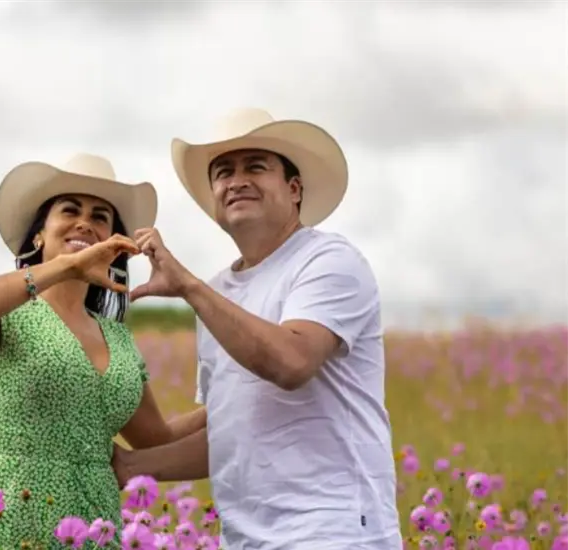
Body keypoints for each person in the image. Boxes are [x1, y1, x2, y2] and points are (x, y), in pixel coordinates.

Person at [112, 109, 402, 549]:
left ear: (294, 188)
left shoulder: (329, 260)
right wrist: (131, 467)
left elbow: (291, 362)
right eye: (223, 172)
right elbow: (231, 431)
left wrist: (188, 287)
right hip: (246, 539)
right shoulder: (218, 292)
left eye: (256, 167)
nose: (237, 180)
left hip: (334, 532)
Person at [0, 153, 205, 549]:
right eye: (70, 210)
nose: (85, 222)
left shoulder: (117, 339)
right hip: (7, 518)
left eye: (101, 217)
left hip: (93, 526)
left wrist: (228, 405)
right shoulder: (11, 313)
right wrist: (67, 266)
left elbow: (156, 437)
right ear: (38, 236)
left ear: (115, 245)